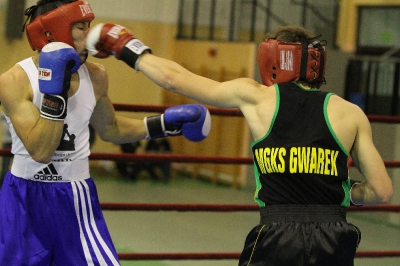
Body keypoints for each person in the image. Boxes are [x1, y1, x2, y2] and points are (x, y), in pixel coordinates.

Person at [86, 24, 393, 266]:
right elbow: (381, 191)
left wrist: (124, 44)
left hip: (278, 234)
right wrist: (339, 192)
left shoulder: (256, 96)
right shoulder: (351, 113)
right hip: (335, 236)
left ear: (272, 58)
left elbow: (172, 78)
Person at [0, 1, 211, 265]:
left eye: (89, 25)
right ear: (53, 33)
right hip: (24, 200)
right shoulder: (14, 81)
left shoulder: (96, 75)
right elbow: (41, 151)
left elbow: (110, 128)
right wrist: (55, 90)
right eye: (80, 27)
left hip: (75, 198)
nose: (90, 35)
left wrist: (165, 124)